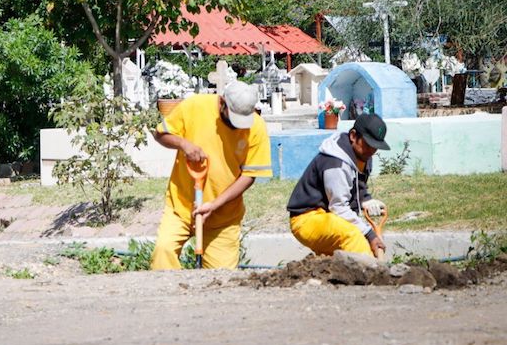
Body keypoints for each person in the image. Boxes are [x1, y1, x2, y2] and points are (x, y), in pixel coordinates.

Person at [150, 81, 272, 270]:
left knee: (221, 280)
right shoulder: (195, 106)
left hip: (223, 218)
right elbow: (160, 134)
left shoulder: (256, 126)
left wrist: (214, 205)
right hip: (181, 207)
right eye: (233, 117)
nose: (236, 125)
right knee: (163, 252)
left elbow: (249, 176)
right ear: (222, 102)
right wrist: (184, 144)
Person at [286, 113, 390, 258]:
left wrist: (366, 199)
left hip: (329, 216)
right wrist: (370, 235)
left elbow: (357, 184)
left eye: (376, 146)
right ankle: (370, 275)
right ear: (353, 136)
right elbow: (339, 207)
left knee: (355, 246)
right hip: (307, 219)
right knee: (352, 236)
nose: (372, 150)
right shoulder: (335, 164)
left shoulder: (363, 155)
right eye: (368, 144)